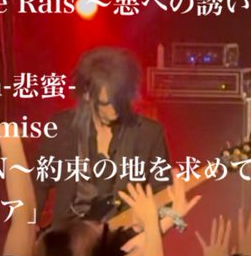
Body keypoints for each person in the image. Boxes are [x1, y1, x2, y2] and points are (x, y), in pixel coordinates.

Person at [34, 47, 172, 227]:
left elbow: (163, 198)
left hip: (125, 238)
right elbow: (38, 187)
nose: (114, 111)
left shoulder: (149, 134)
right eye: (105, 103)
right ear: (86, 94)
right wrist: (29, 228)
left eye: (119, 102)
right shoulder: (61, 127)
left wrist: (163, 220)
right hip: (67, 238)